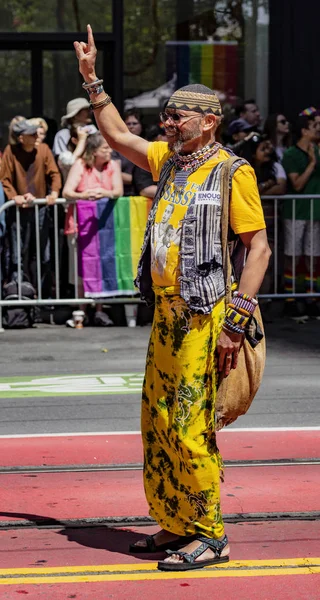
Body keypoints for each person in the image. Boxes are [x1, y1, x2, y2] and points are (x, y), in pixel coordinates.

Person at [74, 25, 270, 571]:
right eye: (166, 115)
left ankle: (210, 532)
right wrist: (93, 81)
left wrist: (237, 321)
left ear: (209, 122)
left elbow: (257, 250)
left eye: (177, 116)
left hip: (208, 318)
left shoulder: (234, 172)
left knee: (188, 423)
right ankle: (177, 521)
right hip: (166, 317)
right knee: (157, 421)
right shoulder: (169, 161)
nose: (167, 123)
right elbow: (116, 136)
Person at [63, 131, 123, 327]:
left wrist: (104, 192)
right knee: (82, 267)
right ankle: (81, 309)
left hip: (106, 226)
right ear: (94, 151)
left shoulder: (113, 165)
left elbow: (117, 191)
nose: (109, 151)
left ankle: (99, 309)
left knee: (102, 264)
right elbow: (67, 191)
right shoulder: (80, 165)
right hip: (81, 225)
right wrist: (85, 195)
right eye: (105, 148)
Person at [0, 119, 61, 295]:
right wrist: (15, 197)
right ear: (21, 138)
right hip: (18, 210)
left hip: (40, 208)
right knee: (16, 254)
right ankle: (17, 294)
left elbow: (54, 174)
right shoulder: (11, 152)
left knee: (44, 254)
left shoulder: (43, 149)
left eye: (37, 133)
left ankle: (43, 295)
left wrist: (54, 192)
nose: (36, 136)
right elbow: (4, 179)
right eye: (31, 134)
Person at [238, 134, 286, 299]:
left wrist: (259, 189)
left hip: (271, 222)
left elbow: (281, 188)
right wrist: (266, 185)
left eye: (269, 148)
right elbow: (249, 191)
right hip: (247, 223)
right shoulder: (244, 169)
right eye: (263, 149)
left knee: (267, 261)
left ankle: (265, 300)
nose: (268, 152)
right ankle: (251, 299)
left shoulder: (275, 167)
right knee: (247, 261)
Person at [282, 114, 320, 319]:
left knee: (313, 257)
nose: (318, 129)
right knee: (293, 256)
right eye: (315, 126)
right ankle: (290, 300)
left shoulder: (318, 151)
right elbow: (297, 184)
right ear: (304, 131)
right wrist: (312, 163)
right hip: (295, 213)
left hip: (315, 213)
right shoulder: (291, 154)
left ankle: (311, 298)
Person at [113, 109, 144, 196]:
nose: (131, 126)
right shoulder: (117, 147)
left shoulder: (149, 145)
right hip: (123, 195)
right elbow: (114, 174)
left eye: (134, 123)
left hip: (144, 195)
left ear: (141, 125)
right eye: (128, 124)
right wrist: (139, 181)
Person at [132, 124, 167, 199]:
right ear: (159, 137)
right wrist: (175, 194)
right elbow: (145, 189)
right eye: (166, 136)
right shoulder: (146, 157)